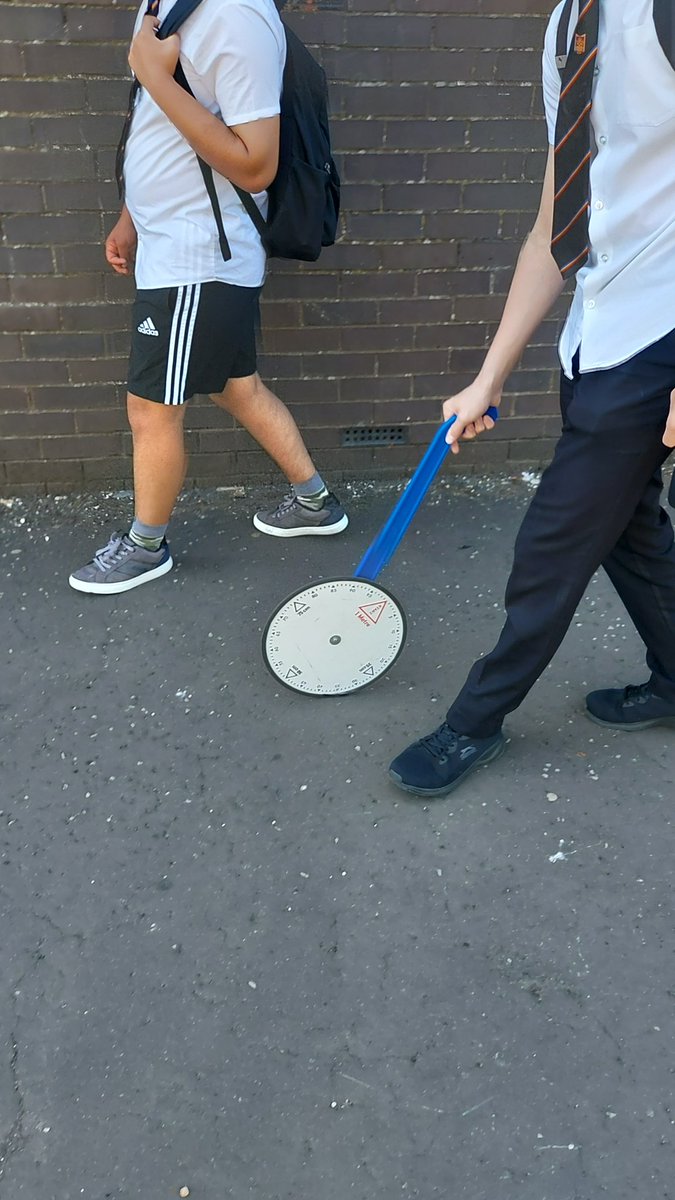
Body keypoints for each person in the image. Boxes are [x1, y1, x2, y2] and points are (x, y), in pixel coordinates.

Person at [389, 0, 675, 798]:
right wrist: (489, 374)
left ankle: (473, 721)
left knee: (555, 541)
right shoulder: (565, 27)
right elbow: (561, 219)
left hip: (660, 330)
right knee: (626, 526)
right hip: (599, 327)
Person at [69, 0, 347, 596]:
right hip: (176, 244)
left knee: (151, 409)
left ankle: (146, 546)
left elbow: (255, 165)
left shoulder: (233, 14)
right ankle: (315, 503)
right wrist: (131, 217)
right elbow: (159, 124)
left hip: (197, 258)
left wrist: (149, 72)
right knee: (237, 388)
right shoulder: (166, 5)